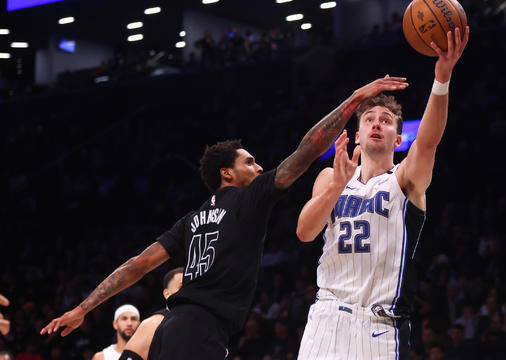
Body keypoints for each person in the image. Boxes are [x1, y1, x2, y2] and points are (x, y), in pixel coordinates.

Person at [40, 74, 409, 360]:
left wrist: (83, 307)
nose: (259, 165)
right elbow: (308, 149)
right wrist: (356, 99)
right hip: (200, 328)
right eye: (250, 162)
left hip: (174, 326)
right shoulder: (249, 200)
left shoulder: (190, 220)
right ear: (227, 174)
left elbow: (137, 265)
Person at [296, 26, 469, 359]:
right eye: (369, 119)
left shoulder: (405, 178)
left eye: (386, 121)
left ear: (398, 139)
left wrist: (442, 78)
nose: (376, 124)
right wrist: (336, 186)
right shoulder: (329, 177)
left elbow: (430, 141)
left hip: (378, 326)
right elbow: (305, 232)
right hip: (326, 317)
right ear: (357, 136)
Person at [119, 268, 183, 360]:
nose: (187, 292)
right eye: (181, 287)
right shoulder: (154, 323)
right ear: (167, 294)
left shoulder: (202, 322)